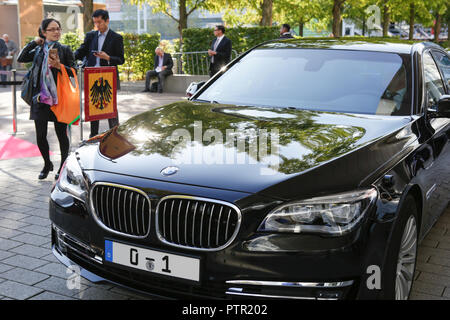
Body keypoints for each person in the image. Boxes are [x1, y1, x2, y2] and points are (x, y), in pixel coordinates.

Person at [17, 18, 75, 180]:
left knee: (61, 134)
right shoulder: (37, 49)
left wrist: (60, 67)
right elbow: (21, 58)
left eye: (58, 28)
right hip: (40, 98)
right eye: (52, 29)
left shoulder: (64, 49)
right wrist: (33, 43)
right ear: (43, 32)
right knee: (40, 135)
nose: (57, 32)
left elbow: (74, 71)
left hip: (59, 99)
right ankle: (47, 163)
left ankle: (63, 165)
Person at [74, 9, 124, 138]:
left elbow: (121, 60)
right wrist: (67, 57)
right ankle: (93, 135)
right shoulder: (90, 36)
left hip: (109, 77)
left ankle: (114, 134)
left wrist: (108, 58)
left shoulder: (117, 38)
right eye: (95, 22)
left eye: (100, 22)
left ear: (107, 20)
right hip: (92, 76)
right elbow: (81, 51)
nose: (97, 25)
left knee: (110, 107)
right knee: (93, 107)